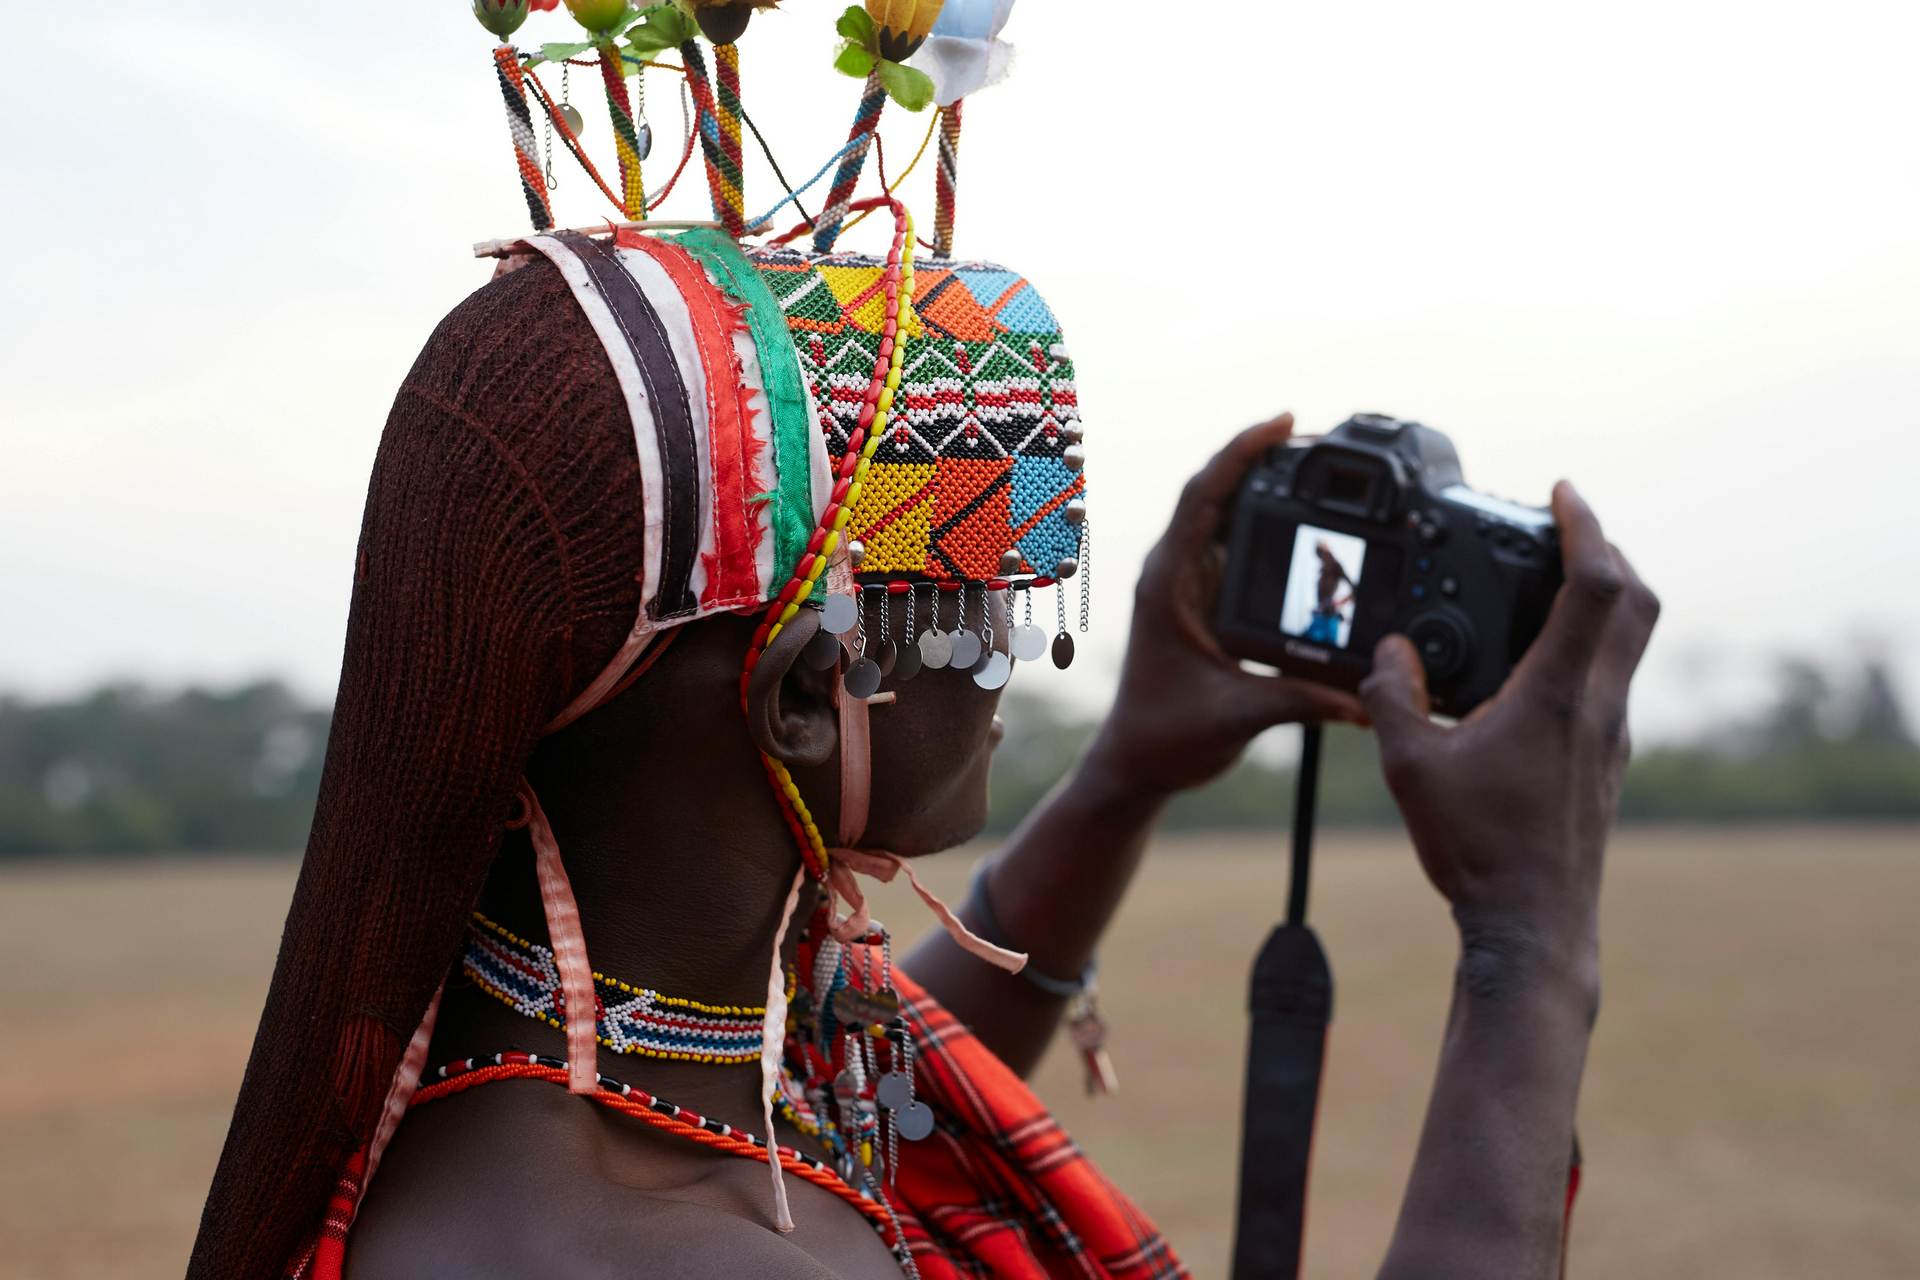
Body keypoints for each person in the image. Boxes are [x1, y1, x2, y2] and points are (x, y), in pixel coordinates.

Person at [1302, 539, 1357, 646]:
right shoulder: (1322, 570)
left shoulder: (1336, 566)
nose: (1321, 556)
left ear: (1327, 550)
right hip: (1318, 617)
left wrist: (1338, 603)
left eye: (1322, 552)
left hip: (1329, 620)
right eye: (1318, 554)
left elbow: (1355, 589)